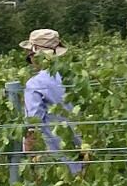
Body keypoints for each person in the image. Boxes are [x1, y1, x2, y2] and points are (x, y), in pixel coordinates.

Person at [21, 29, 84, 175]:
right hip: (82, 150)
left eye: (29, 54)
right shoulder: (73, 76)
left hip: (55, 158)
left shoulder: (35, 84)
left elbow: (34, 123)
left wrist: (29, 156)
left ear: (36, 56)